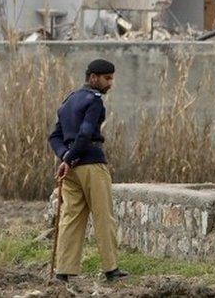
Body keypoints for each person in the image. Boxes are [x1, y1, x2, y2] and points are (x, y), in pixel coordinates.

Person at [48, 59, 128, 283]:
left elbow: (54, 136)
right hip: (92, 164)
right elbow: (85, 134)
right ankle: (111, 270)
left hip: (72, 170)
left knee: (71, 218)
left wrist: (65, 157)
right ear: (94, 78)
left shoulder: (69, 101)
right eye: (107, 78)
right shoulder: (95, 101)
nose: (110, 83)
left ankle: (63, 271)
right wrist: (71, 156)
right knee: (103, 216)